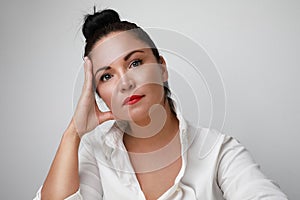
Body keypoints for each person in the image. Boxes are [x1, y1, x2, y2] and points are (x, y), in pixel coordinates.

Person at [34, 8, 288, 200]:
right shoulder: (93, 153)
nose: (125, 82)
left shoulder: (219, 150)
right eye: (107, 76)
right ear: (98, 94)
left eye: (135, 63)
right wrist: (73, 133)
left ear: (162, 68)